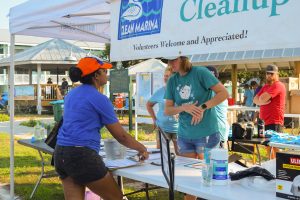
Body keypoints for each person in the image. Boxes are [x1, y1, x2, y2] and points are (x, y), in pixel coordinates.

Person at [54, 57, 149, 200]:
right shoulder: (99, 98)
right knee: (116, 197)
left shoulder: (71, 94)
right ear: (96, 76)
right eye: (104, 71)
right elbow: (120, 136)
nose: (107, 74)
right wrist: (142, 148)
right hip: (81, 155)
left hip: (61, 152)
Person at [253, 64, 286, 158]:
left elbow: (262, 98)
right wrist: (262, 102)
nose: (269, 75)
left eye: (271, 73)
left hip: (274, 121)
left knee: (275, 148)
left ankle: (278, 168)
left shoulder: (278, 85)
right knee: (267, 147)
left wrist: (261, 101)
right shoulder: (265, 86)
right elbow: (255, 99)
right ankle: (272, 167)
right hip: (264, 122)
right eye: (267, 73)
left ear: (277, 74)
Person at [146, 66, 179, 155]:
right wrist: (154, 119)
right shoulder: (160, 91)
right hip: (163, 128)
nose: (166, 78)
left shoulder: (182, 91)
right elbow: (149, 105)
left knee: (180, 155)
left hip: (179, 129)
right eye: (165, 76)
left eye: (169, 76)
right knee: (161, 155)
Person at [206, 66, 229, 149]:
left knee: (213, 158)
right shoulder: (220, 89)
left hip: (216, 129)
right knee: (221, 157)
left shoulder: (212, 91)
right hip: (221, 127)